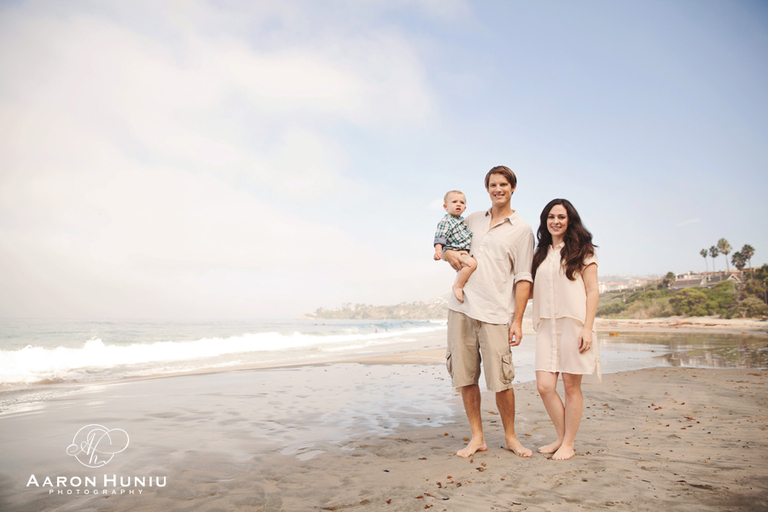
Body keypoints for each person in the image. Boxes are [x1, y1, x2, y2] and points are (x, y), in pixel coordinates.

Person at [442, 166, 534, 458]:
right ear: (487, 189)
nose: (498, 189)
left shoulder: (522, 230)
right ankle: (477, 437)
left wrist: (517, 320)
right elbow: (448, 247)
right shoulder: (470, 219)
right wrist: (447, 254)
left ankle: (510, 437)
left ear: (513, 188)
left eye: (503, 184)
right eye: (493, 185)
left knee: (502, 381)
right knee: (465, 377)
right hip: (462, 309)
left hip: (496, 313)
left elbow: (523, 279)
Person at [531, 198, 601, 461]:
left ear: (570, 220)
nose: (555, 221)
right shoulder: (540, 254)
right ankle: (561, 437)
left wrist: (587, 327)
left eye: (561, 216)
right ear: (545, 221)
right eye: (551, 217)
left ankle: (568, 443)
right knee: (545, 386)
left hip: (575, 325)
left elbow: (593, 290)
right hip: (546, 326)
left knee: (572, 388)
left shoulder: (583, 251)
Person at [433, 190, 478, 303]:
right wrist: (438, 250)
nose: (458, 204)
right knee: (471, 264)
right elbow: (440, 236)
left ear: (465, 208)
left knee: (465, 268)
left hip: (462, 251)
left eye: (462, 202)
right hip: (455, 250)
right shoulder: (446, 221)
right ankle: (458, 286)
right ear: (445, 206)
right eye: (454, 202)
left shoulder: (462, 221)